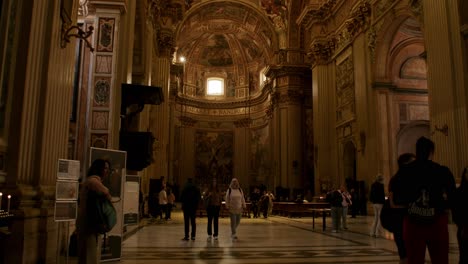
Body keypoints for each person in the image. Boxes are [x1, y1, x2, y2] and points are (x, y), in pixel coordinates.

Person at [392, 136, 456, 264]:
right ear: (431, 152)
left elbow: (397, 199)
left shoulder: (404, 171)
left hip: (413, 222)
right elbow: (453, 198)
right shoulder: (442, 171)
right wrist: (440, 205)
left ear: (416, 151)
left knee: (415, 260)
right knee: (440, 259)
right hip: (437, 222)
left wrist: (410, 202)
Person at [76, 159, 112, 264]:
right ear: (98, 168)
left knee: (89, 254)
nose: (107, 171)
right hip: (88, 224)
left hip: (90, 224)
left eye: (108, 169)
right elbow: (107, 193)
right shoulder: (93, 181)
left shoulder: (91, 181)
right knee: (88, 256)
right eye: (105, 168)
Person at [388, 153, 416, 263]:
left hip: (412, 220)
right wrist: (409, 206)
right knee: (404, 254)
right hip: (400, 221)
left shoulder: (413, 179)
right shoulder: (395, 180)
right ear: (405, 164)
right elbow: (392, 203)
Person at [452, 167, 468, 264]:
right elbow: (456, 212)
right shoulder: (458, 192)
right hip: (464, 229)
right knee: (464, 256)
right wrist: (462, 225)